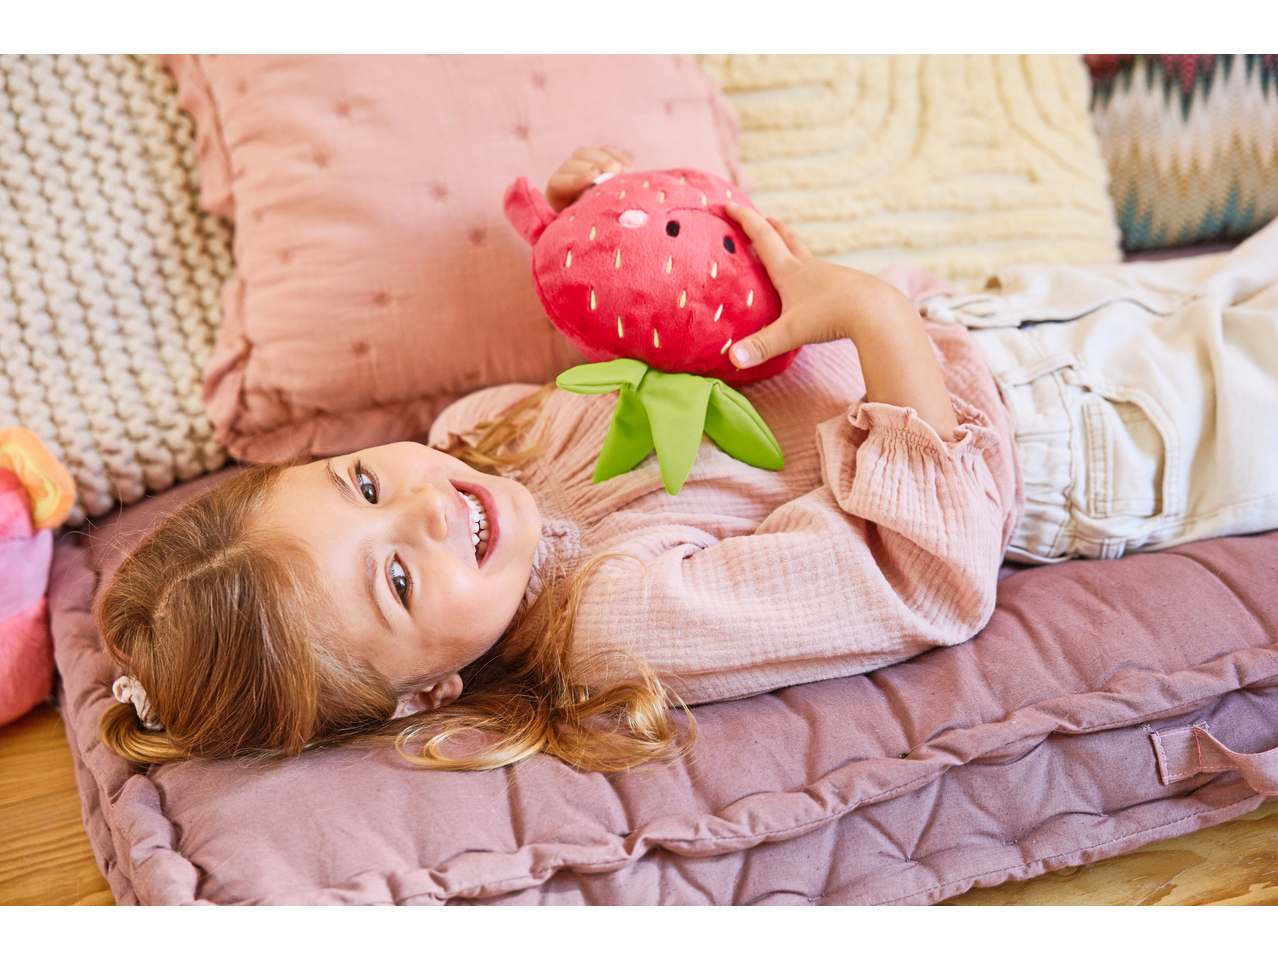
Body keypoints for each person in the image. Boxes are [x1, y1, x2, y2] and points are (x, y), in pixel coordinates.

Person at [98, 148, 1278, 771]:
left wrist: (611, 230)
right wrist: (868, 313)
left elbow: (686, 375)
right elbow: (925, 570)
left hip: (1013, 319)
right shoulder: (622, 619)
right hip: (1096, 436)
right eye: (396, 581)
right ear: (427, 695)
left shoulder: (473, 434)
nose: (419, 506)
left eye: (361, 482)